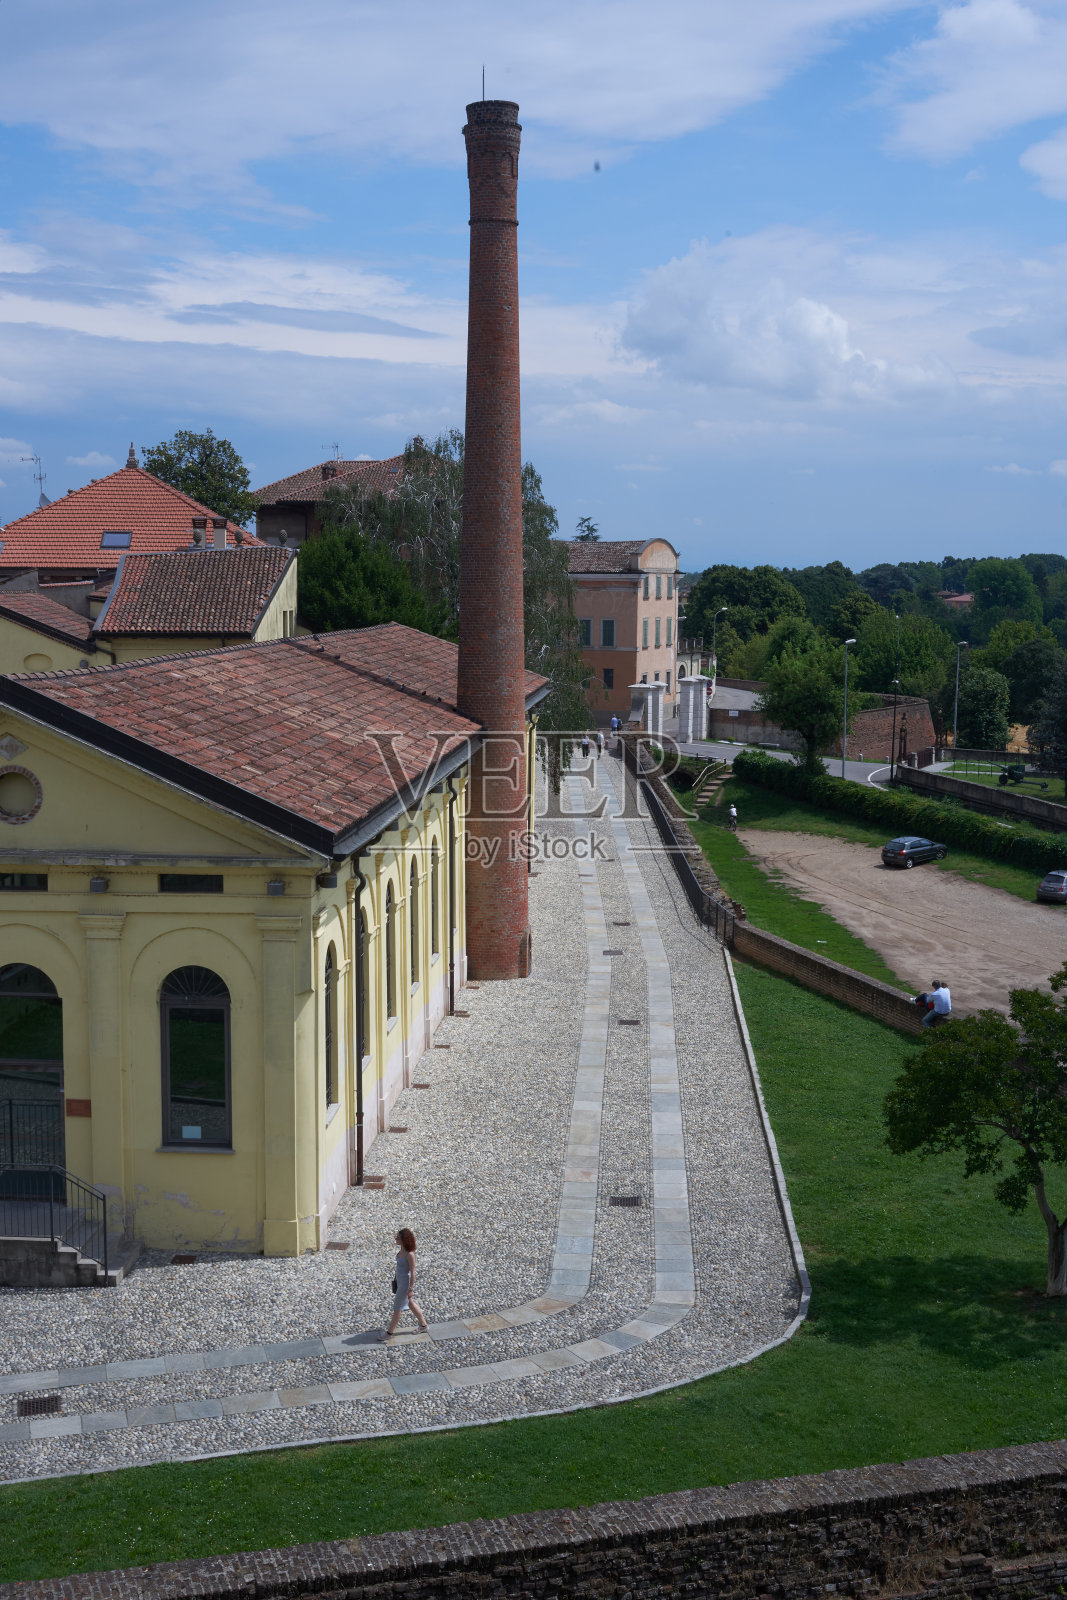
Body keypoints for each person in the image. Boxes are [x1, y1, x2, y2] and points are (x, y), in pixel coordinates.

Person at [379, 1227, 428, 1340]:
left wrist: (410, 1288)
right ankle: (423, 1325)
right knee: (411, 1304)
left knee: (397, 1308)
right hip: (400, 1281)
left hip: (405, 1284)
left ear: (404, 1240)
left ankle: (389, 1333)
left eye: (398, 1237)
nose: (396, 1239)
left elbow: (413, 1272)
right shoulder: (401, 1251)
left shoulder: (410, 1254)